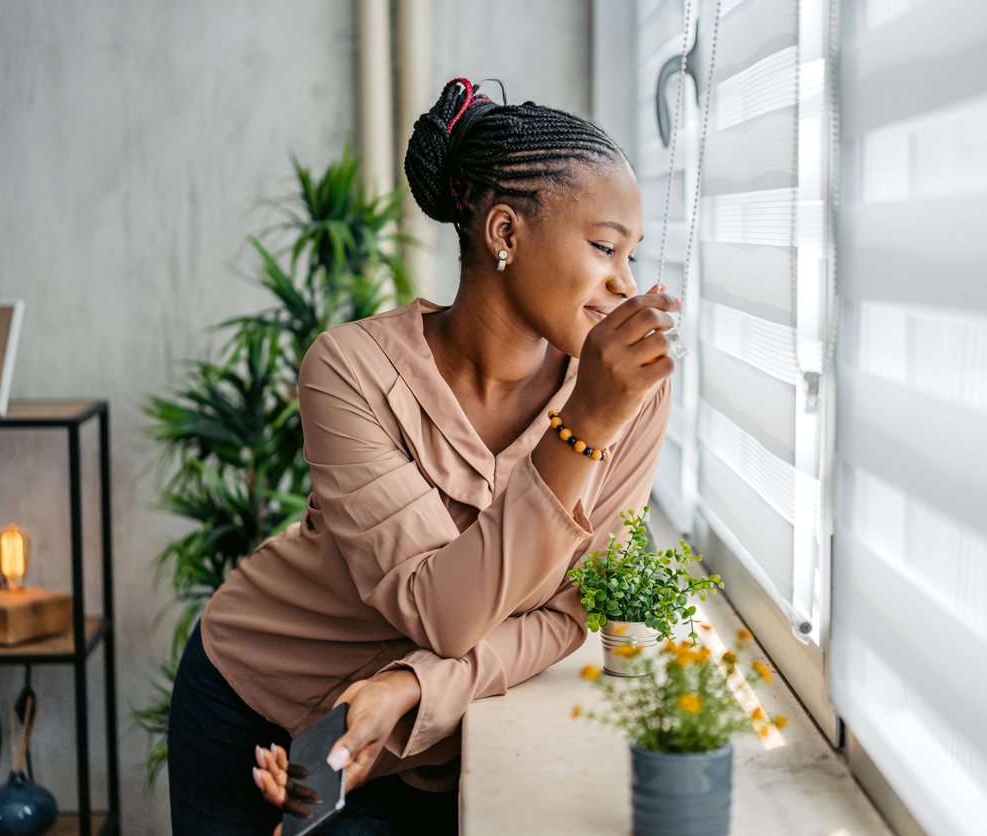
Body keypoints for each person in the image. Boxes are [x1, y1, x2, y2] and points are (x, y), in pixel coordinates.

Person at [166, 77, 679, 836]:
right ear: (504, 233)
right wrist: (582, 427)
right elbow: (445, 611)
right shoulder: (349, 370)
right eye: (605, 248)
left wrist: (411, 688)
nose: (624, 286)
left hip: (419, 740)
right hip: (255, 713)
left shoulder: (630, 396)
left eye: (632, 256)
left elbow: (570, 613)